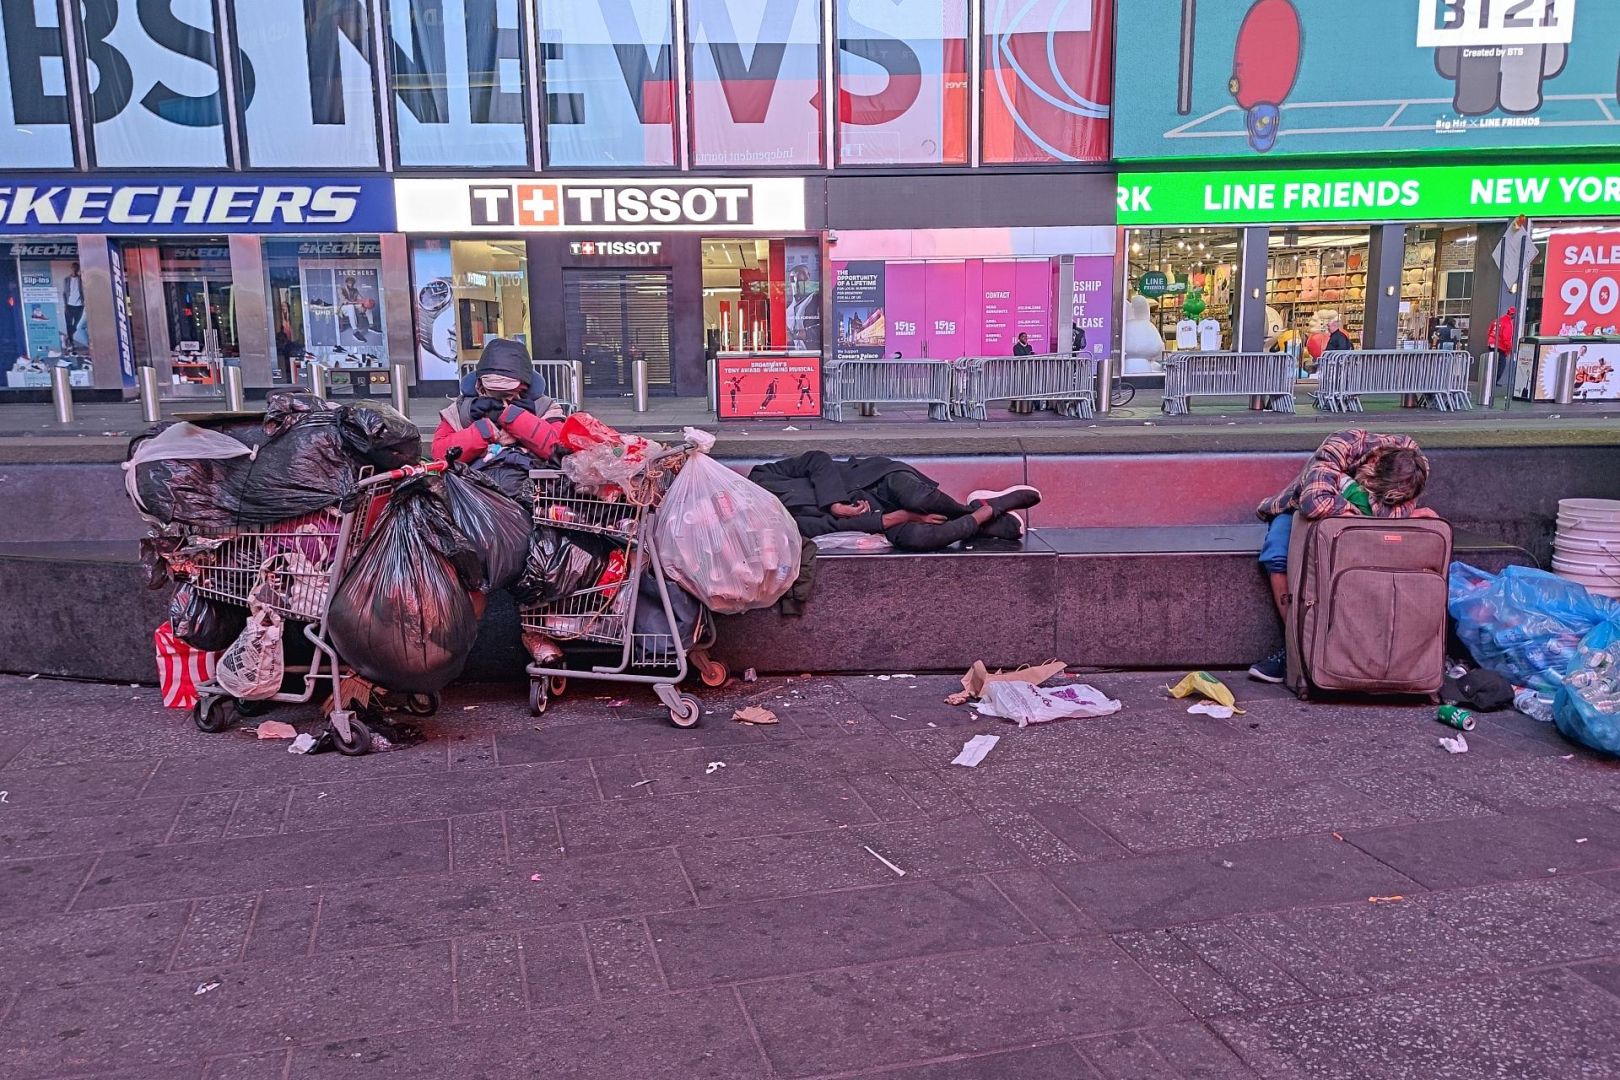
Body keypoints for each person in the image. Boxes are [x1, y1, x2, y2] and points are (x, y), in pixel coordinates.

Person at [1248, 430, 1436, 683]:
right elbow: (1314, 502)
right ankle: (1295, 648)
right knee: (1277, 554)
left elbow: (1396, 512)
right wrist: (1364, 506)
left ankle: (1377, 652)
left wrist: (1355, 502)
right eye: (1371, 489)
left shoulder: (1415, 464)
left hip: (1361, 523)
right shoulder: (1341, 445)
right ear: (1371, 464)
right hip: (1296, 510)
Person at [751, 452, 1041, 552]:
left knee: (917, 496)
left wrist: (835, 503)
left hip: (873, 479)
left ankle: (979, 511)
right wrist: (902, 518)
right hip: (879, 519)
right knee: (918, 538)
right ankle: (982, 515)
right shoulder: (778, 525)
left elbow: (817, 459)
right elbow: (826, 528)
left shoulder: (761, 477)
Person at [432, 337, 564, 489]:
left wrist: (516, 419)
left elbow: (559, 450)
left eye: (508, 390)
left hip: (533, 491)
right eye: (493, 390)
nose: (501, 396)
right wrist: (482, 431)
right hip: (475, 490)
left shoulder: (544, 407)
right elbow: (440, 454)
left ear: (524, 385)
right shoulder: (460, 410)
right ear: (480, 384)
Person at [1487, 307, 1516, 384]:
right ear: (1513, 315)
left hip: (1491, 344)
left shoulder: (1498, 320)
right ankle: (1493, 382)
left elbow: (1490, 330)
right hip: (1500, 346)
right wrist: (1508, 349)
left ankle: (1490, 381)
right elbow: (1506, 338)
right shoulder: (1508, 323)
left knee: (1492, 363)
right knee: (1501, 365)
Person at [61, 262, 84, 348]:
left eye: (76, 268)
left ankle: (67, 338)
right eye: (73, 267)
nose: (75, 269)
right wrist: (65, 304)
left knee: (77, 325)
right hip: (69, 305)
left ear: (78, 269)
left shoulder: (81, 279)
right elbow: (64, 293)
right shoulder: (66, 279)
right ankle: (71, 342)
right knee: (69, 324)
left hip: (79, 305)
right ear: (71, 268)